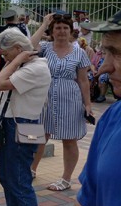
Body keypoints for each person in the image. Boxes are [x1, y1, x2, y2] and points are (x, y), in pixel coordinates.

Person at [57, 11, 121, 206]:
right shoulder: (114, 118)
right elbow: (89, 204)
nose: (105, 67)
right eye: (107, 52)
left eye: (118, 54)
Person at [0, 29, 51, 206]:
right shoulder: (25, 64)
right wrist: (17, 60)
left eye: (6, 54)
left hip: (25, 125)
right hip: (13, 124)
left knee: (20, 178)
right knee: (6, 174)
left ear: (18, 50)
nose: (4, 58)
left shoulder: (36, 68)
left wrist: (15, 61)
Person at [30, 13, 92, 190]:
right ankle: (31, 169)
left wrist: (87, 104)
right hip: (44, 97)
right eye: (58, 27)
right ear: (52, 30)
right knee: (38, 136)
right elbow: (28, 45)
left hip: (70, 98)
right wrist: (43, 24)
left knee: (70, 139)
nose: (62, 31)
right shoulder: (44, 47)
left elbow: (83, 80)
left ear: (71, 31)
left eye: (65, 28)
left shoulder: (79, 52)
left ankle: (66, 179)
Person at [0, 9, 29, 99]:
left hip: (5, 55)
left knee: (1, 71)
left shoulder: (3, 29)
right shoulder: (21, 29)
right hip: (17, 55)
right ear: (15, 18)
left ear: (5, 20)